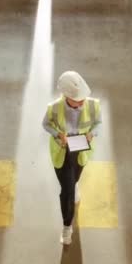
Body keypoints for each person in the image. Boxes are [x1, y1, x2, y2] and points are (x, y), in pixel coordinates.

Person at [42, 71, 102, 245]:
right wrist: (58, 135)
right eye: (78, 99)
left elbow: (99, 122)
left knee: (74, 179)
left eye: (83, 98)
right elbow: (45, 124)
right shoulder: (54, 108)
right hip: (62, 150)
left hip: (81, 149)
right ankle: (67, 225)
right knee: (66, 191)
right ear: (67, 96)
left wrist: (92, 133)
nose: (82, 102)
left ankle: (74, 185)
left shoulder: (92, 105)